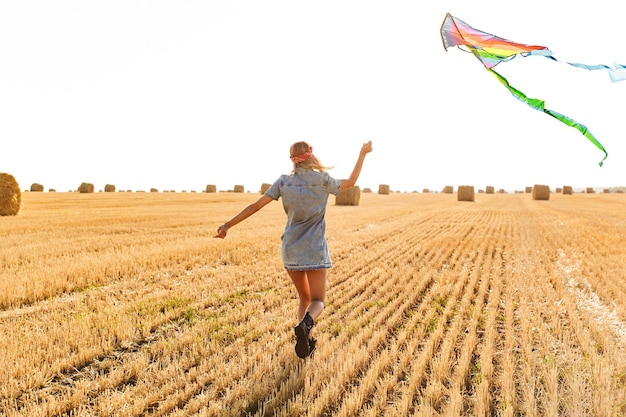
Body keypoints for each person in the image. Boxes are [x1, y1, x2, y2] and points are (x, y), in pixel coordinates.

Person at [214, 141, 373, 358]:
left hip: (291, 249)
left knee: (304, 298)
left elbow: (255, 206)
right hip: (314, 249)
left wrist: (227, 225)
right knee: (318, 301)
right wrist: (362, 154)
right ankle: (306, 324)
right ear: (310, 156)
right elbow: (352, 181)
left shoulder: (283, 182)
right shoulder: (322, 180)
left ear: (293, 159)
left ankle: (305, 341)